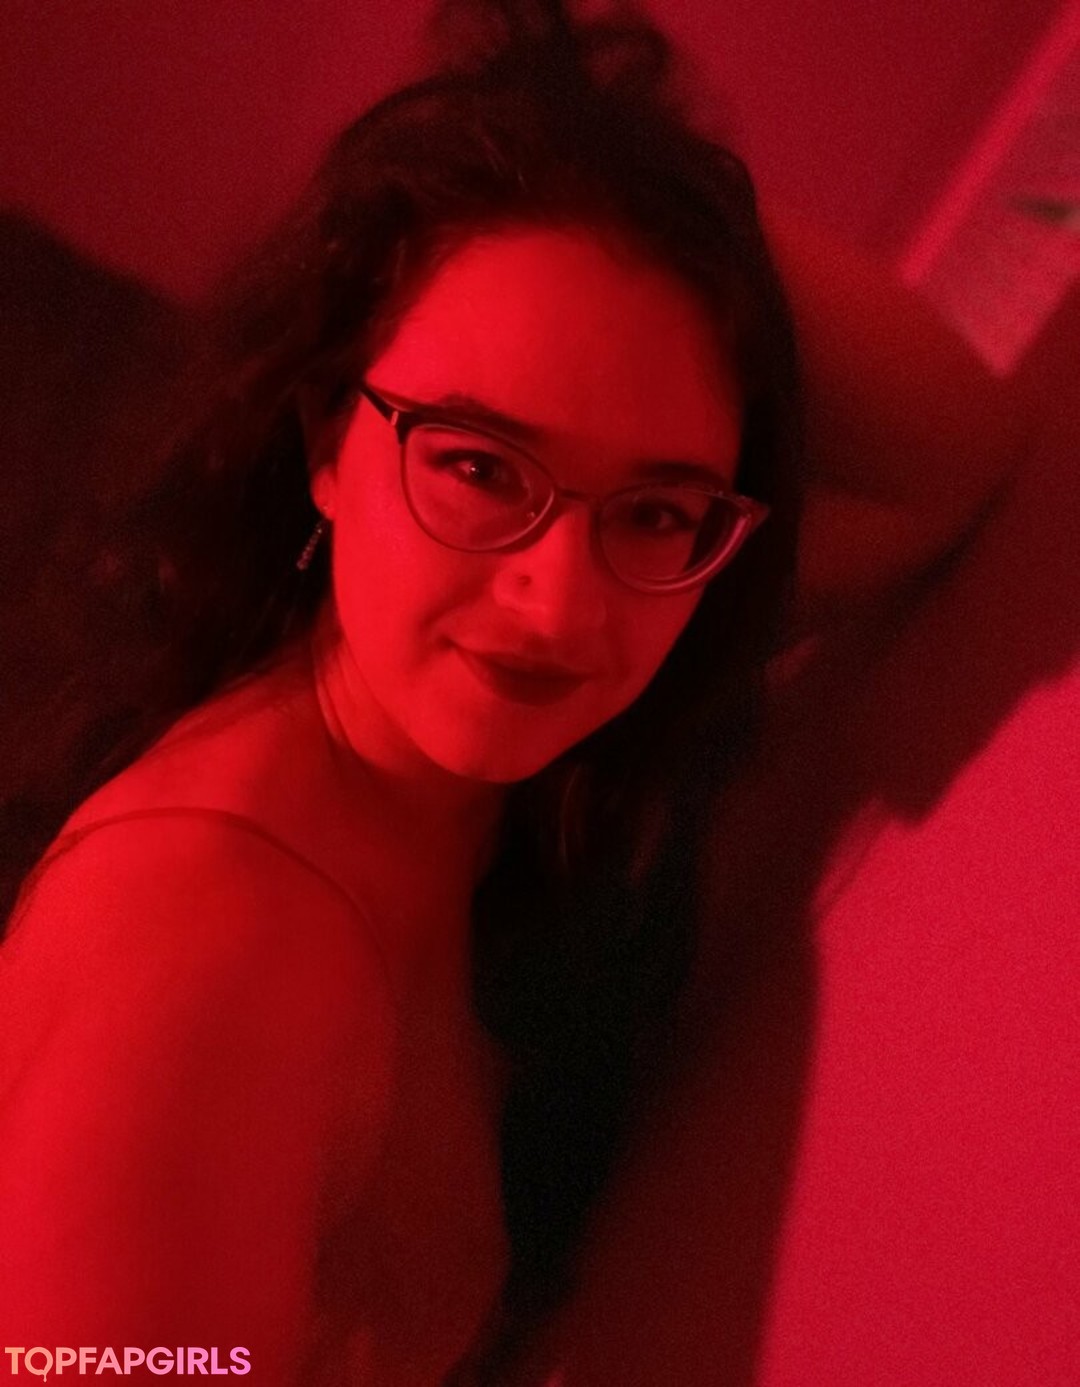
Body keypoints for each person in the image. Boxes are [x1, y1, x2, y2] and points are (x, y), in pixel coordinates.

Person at [0, 2, 1019, 1384]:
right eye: (479, 467)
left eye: (652, 510)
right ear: (325, 442)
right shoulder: (204, 962)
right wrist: (523, 150)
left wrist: (611, 170)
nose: (560, 606)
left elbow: (949, 460)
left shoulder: (464, 772)